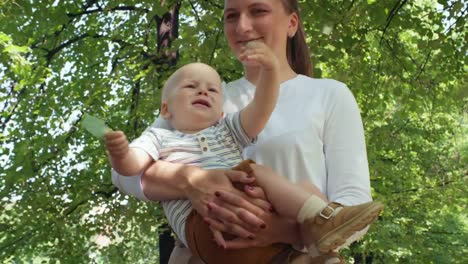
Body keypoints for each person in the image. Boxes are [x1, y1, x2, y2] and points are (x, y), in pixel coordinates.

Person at [111, 0, 379, 263]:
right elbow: (125, 175)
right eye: (231, 16)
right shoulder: (206, 99)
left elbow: (353, 208)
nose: (243, 26)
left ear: (292, 23)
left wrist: (280, 230)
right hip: (213, 249)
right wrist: (191, 180)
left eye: (258, 10)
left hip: (298, 253)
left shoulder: (329, 95)